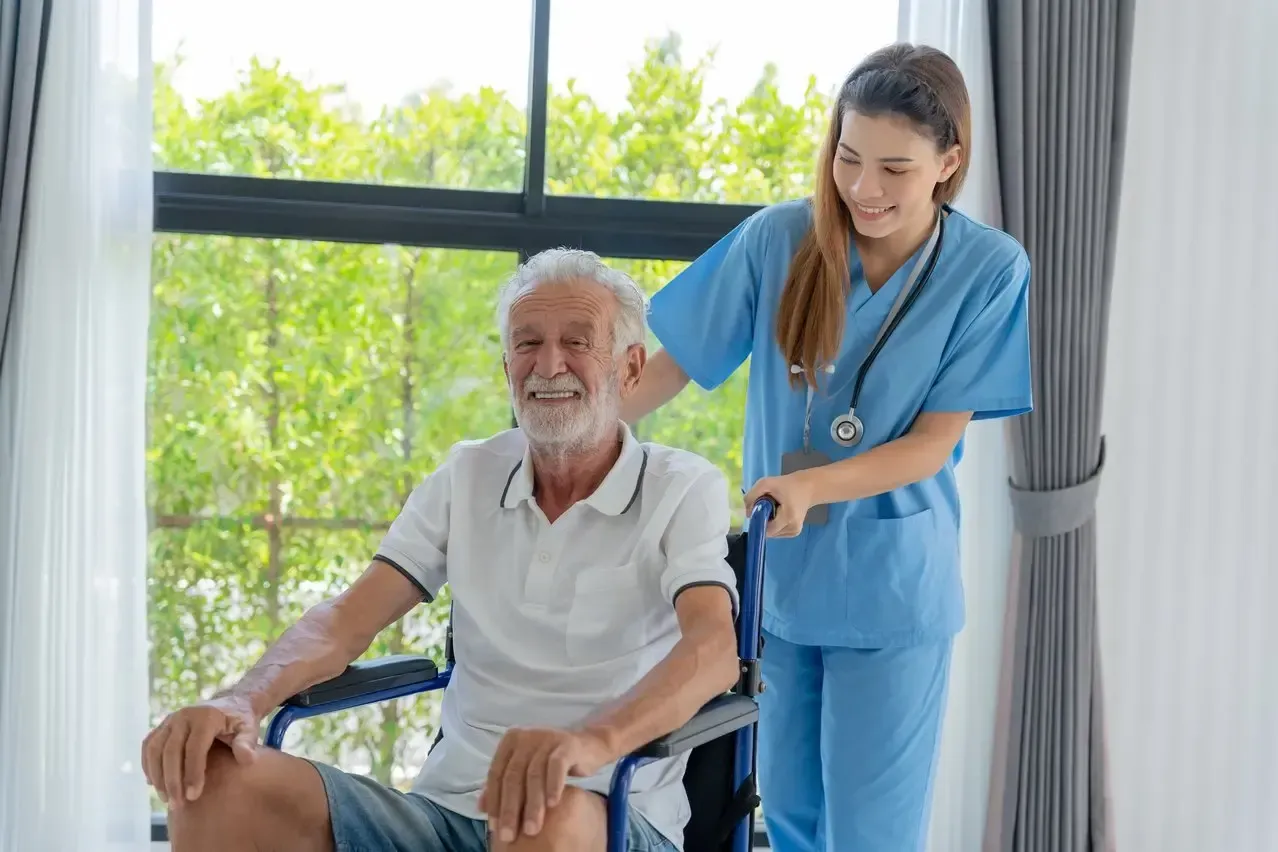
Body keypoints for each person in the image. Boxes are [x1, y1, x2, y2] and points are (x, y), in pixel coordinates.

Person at [141, 248, 743, 852]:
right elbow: (344, 623)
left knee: (544, 813)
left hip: (605, 818)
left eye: (578, 342)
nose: (547, 364)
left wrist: (589, 743)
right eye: (527, 343)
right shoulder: (468, 474)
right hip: (444, 815)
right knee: (211, 777)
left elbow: (714, 650)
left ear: (631, 368)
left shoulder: (681, 486)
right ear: (506, 364)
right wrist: (240, 700)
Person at [621, 43, 1034, 852]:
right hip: (784, 585)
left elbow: (931, 444)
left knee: (871, 834)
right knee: (795, 819)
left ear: (949, 163)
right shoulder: (779, 241)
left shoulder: (989, 269)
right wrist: (570, 425)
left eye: (895, 168)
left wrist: (814, 488)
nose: (864, 189)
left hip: (893, 588)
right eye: (848, 158)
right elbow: (670, 367)